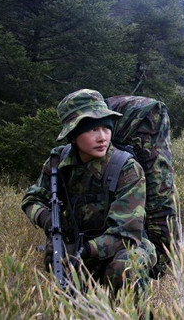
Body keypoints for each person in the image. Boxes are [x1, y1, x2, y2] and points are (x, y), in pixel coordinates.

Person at [21, 89, 156, 294]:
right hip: (77, 247)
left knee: (126, 266)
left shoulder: (126, 168)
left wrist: (81, 250)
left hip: (122, 248)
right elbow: (32, 199)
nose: (102, 137)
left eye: (106, 127)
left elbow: (126, 235)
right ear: (73, 135)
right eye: (92, 129)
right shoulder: (58, 163)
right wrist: (49, 220)